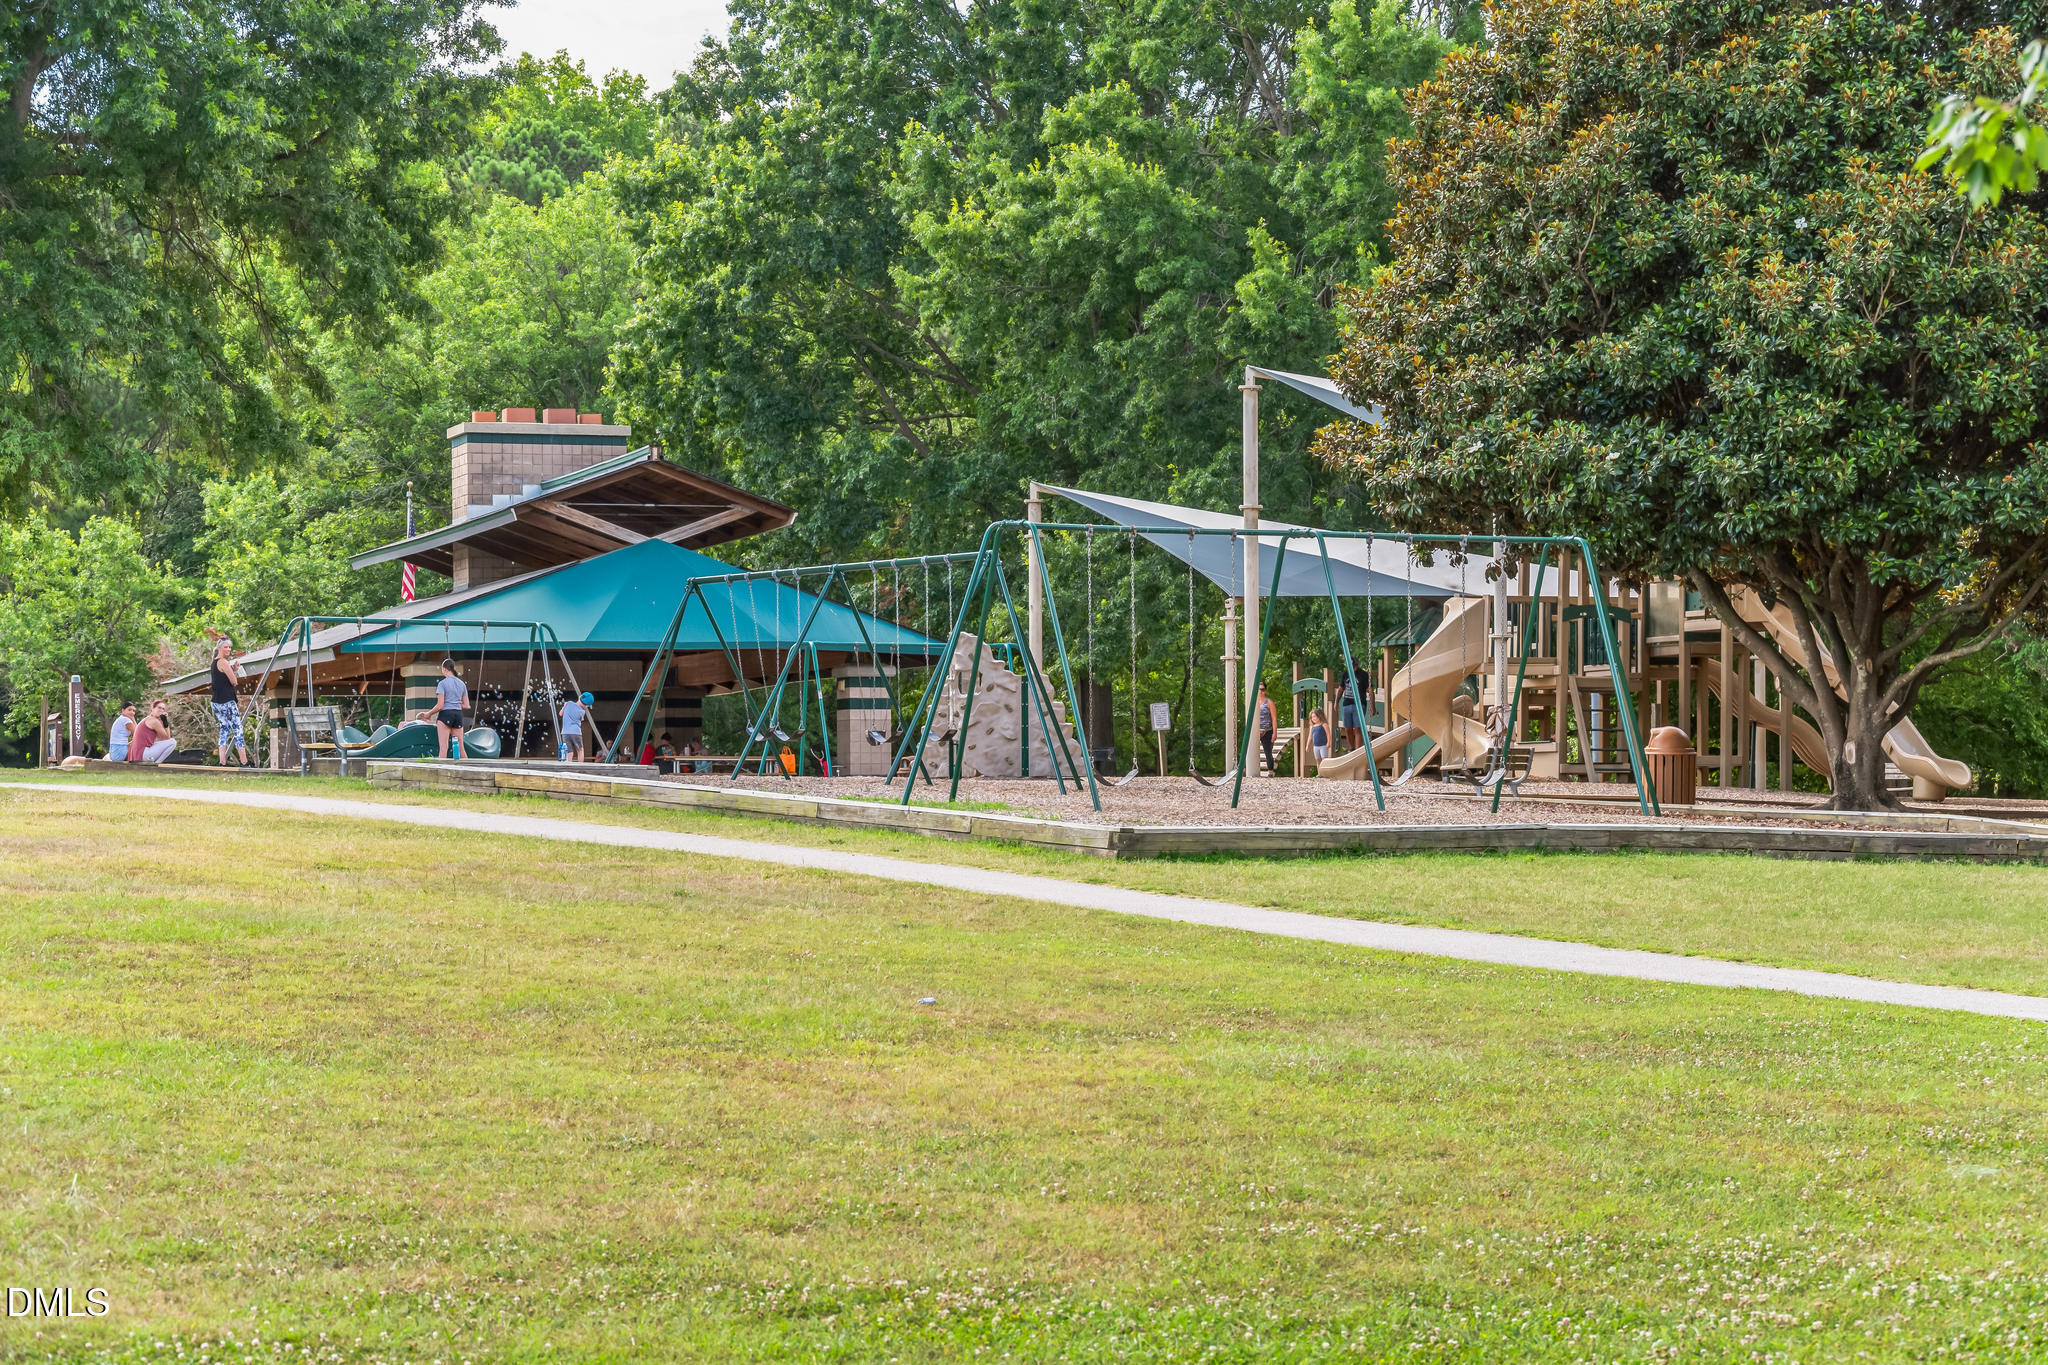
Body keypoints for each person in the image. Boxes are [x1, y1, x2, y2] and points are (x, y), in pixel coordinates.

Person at [208, 638, 251, 768]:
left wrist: (233, 669)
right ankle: (244, 762)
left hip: (216, 702)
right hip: (227, 701)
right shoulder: (223, 662)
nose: (228, 649)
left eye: (229, 647)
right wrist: (234, 671)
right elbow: (234, 682)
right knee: (238, 730)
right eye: (226, 647)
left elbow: (222, 679)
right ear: (220, 648)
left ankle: (222, 762)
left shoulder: (214, 663)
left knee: (224, 730)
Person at [434, 659, 469, 759]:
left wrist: (429, 713)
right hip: (458, 714)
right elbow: (466, 705)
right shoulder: (462, 684)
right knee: (461, 748)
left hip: (445, 714)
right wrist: (455, 703)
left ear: (444, 669)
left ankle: (441, 771)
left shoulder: (442, 684)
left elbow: (440, 705)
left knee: (444, 747)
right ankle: (470, 770)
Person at [559, 690, 590, 761]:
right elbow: (581, 720)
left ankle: (568, 766)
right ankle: (580, 766)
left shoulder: (568, 703)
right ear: (587, 706)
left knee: (569, 751)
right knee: (580, 750)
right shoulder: (582, 712)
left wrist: (564, 706)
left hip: (565, 732)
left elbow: (560, 714)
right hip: (576, 733)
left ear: (579, 697)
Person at [1254, 682, 1278, 777]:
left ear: (1265, 691)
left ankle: (1270, 772)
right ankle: (1244, 770)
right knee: (1248, 750)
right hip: (1255, 731)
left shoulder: (1269, 702)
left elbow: (1274, 718)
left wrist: (1274, 733)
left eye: (1262, 689)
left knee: (1268, 752)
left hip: (1267, 730)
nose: (1260, 691)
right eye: (1259, 689)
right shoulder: (1254, 702)